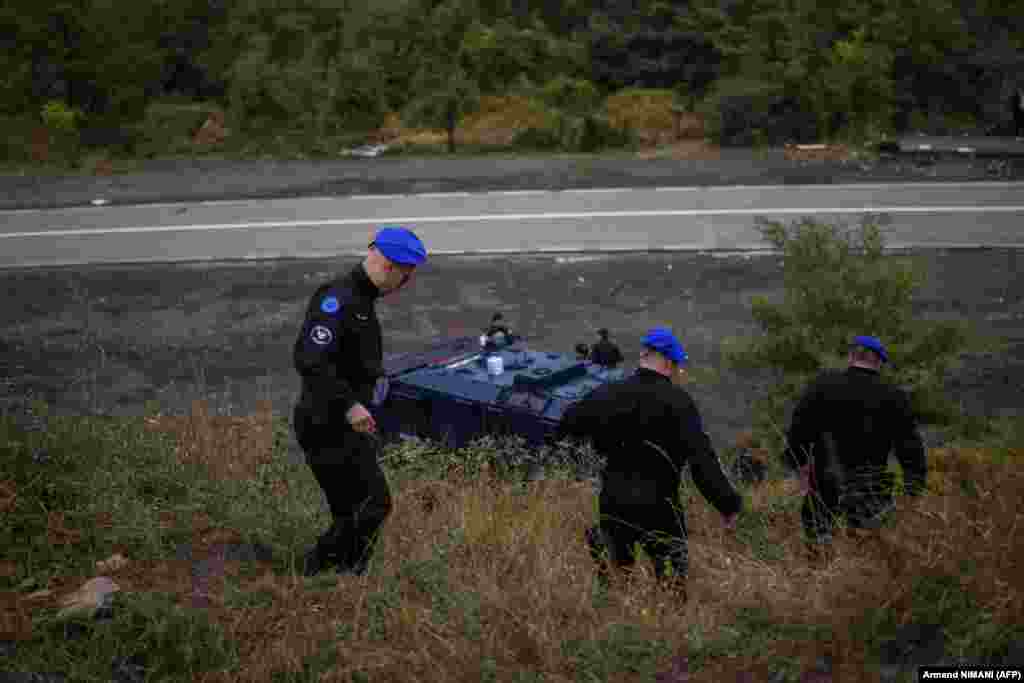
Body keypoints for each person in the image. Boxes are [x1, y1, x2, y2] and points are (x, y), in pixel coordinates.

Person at [557, 327, 742, 597]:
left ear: (643, 356)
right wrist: (728, 504)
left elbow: (567, 425)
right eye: (677, 365)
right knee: (671, 586)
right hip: (661, 506)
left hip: (614, 501)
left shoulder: (608, 393)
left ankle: (616, 626)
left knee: (616, 584)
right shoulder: (680, 403)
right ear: (668, 362)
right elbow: (703, 462)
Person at [292, 226, 427, 576]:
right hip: (326, 423)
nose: (406, 282)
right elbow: (309, 359)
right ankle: (316, 568)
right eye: (405, 273)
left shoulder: (362, 300)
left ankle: (345, 575)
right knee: (372, 505)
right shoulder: (337, 298)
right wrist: (350, 404)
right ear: (386, 264)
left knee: (354, 511)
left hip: (344, 423)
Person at [784, 335, 928, 550]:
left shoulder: (822, 386)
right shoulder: (894, 396)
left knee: (819, 547)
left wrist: (799, 464)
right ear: (879, 362)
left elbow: (798, 430)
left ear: (851, 356)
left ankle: (820, 575)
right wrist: (913, 486)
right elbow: (910, 446)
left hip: (825, 485)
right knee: (866, 549)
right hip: (873, 487)